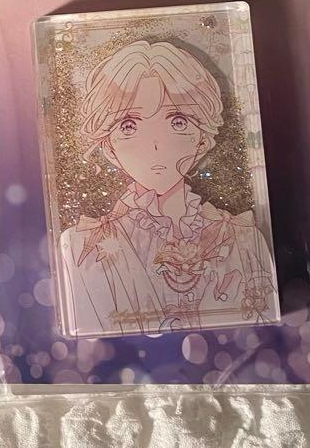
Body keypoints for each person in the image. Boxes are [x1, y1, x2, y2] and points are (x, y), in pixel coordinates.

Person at [59, 40, 278, 336]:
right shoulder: (80, 247)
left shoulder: (245, 241)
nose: (155, 145)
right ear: (108, 146)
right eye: (128, 126)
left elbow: (262, 326)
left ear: (203, 138)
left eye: (177, 121)